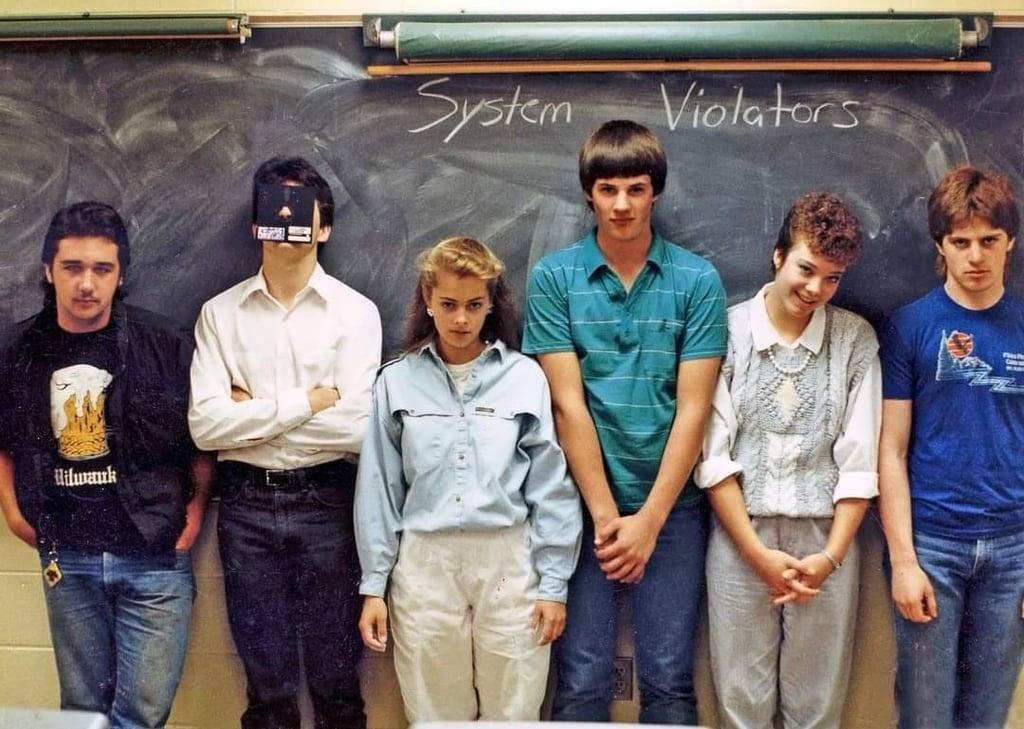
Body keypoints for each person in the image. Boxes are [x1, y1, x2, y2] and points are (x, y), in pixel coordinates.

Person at [522, 119, 727, 724]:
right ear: (589, 192)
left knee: (668, 678)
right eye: (608, 189)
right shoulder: (555, 278)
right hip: (583, 513)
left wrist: (651, 521)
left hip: (674, 511)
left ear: (655, 193)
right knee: (582, 677)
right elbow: (568, 404)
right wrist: (611, 521)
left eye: (635, 189)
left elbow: (695, 407)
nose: (621, 204)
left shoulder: (697, 280)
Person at [0, 201, 212, 729]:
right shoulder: (19, 349)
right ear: (48, 271)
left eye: (102, 269)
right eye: (73, 268)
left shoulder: (164, 343)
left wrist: (193, 516)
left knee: (141, 714)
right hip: (66, 556)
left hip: (154, 555)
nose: (87, 284)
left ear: (121, 275)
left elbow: (204, 441)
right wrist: (13, 513)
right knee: (83, 715)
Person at [188, 156, 382, 729]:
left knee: (336, 684)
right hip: (245, 506)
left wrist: (252, 414)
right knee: (266, 688)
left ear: (323, 227)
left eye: (301, 211)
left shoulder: (356, 313)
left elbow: (358, 427)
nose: (286, 220)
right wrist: (307, 402)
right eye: (273, 210)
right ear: (257, 225)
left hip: (329, 502)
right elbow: (205, 427)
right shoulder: (219, 315)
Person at [355, 236, 581, 722]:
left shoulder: (524, 378)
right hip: (424, 563)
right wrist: (374, 586)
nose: (461, 320)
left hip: (508, 559)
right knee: (435, 715)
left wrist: (553, 583)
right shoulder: (396, 381)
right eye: (449, 305)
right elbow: (379, 490)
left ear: (491, 305)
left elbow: (551, 487)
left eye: (474, 305)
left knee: (514, 711)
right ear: (428, 301)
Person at [694, 193, 879, 728]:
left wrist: (830, 557)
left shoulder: (853, 341)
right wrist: (756, 554)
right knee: (739, 700)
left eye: (833, 278)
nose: (816, 289)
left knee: (816, 703)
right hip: (740, 536)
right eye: (806, 269)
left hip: (828, 542)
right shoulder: (726, 333)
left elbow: (860, 460)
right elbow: (714, 456)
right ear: (778, 256)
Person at [878, 165, 1024, 729]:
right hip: (932, 545)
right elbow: (890, 451)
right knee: (923, 715)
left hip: (1013, 550)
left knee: (987, 716)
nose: (976, 257)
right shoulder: (909, 326)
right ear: (940, 245)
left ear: (1010, 240)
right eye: (960, 242)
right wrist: (904, 561)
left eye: (989, 241)